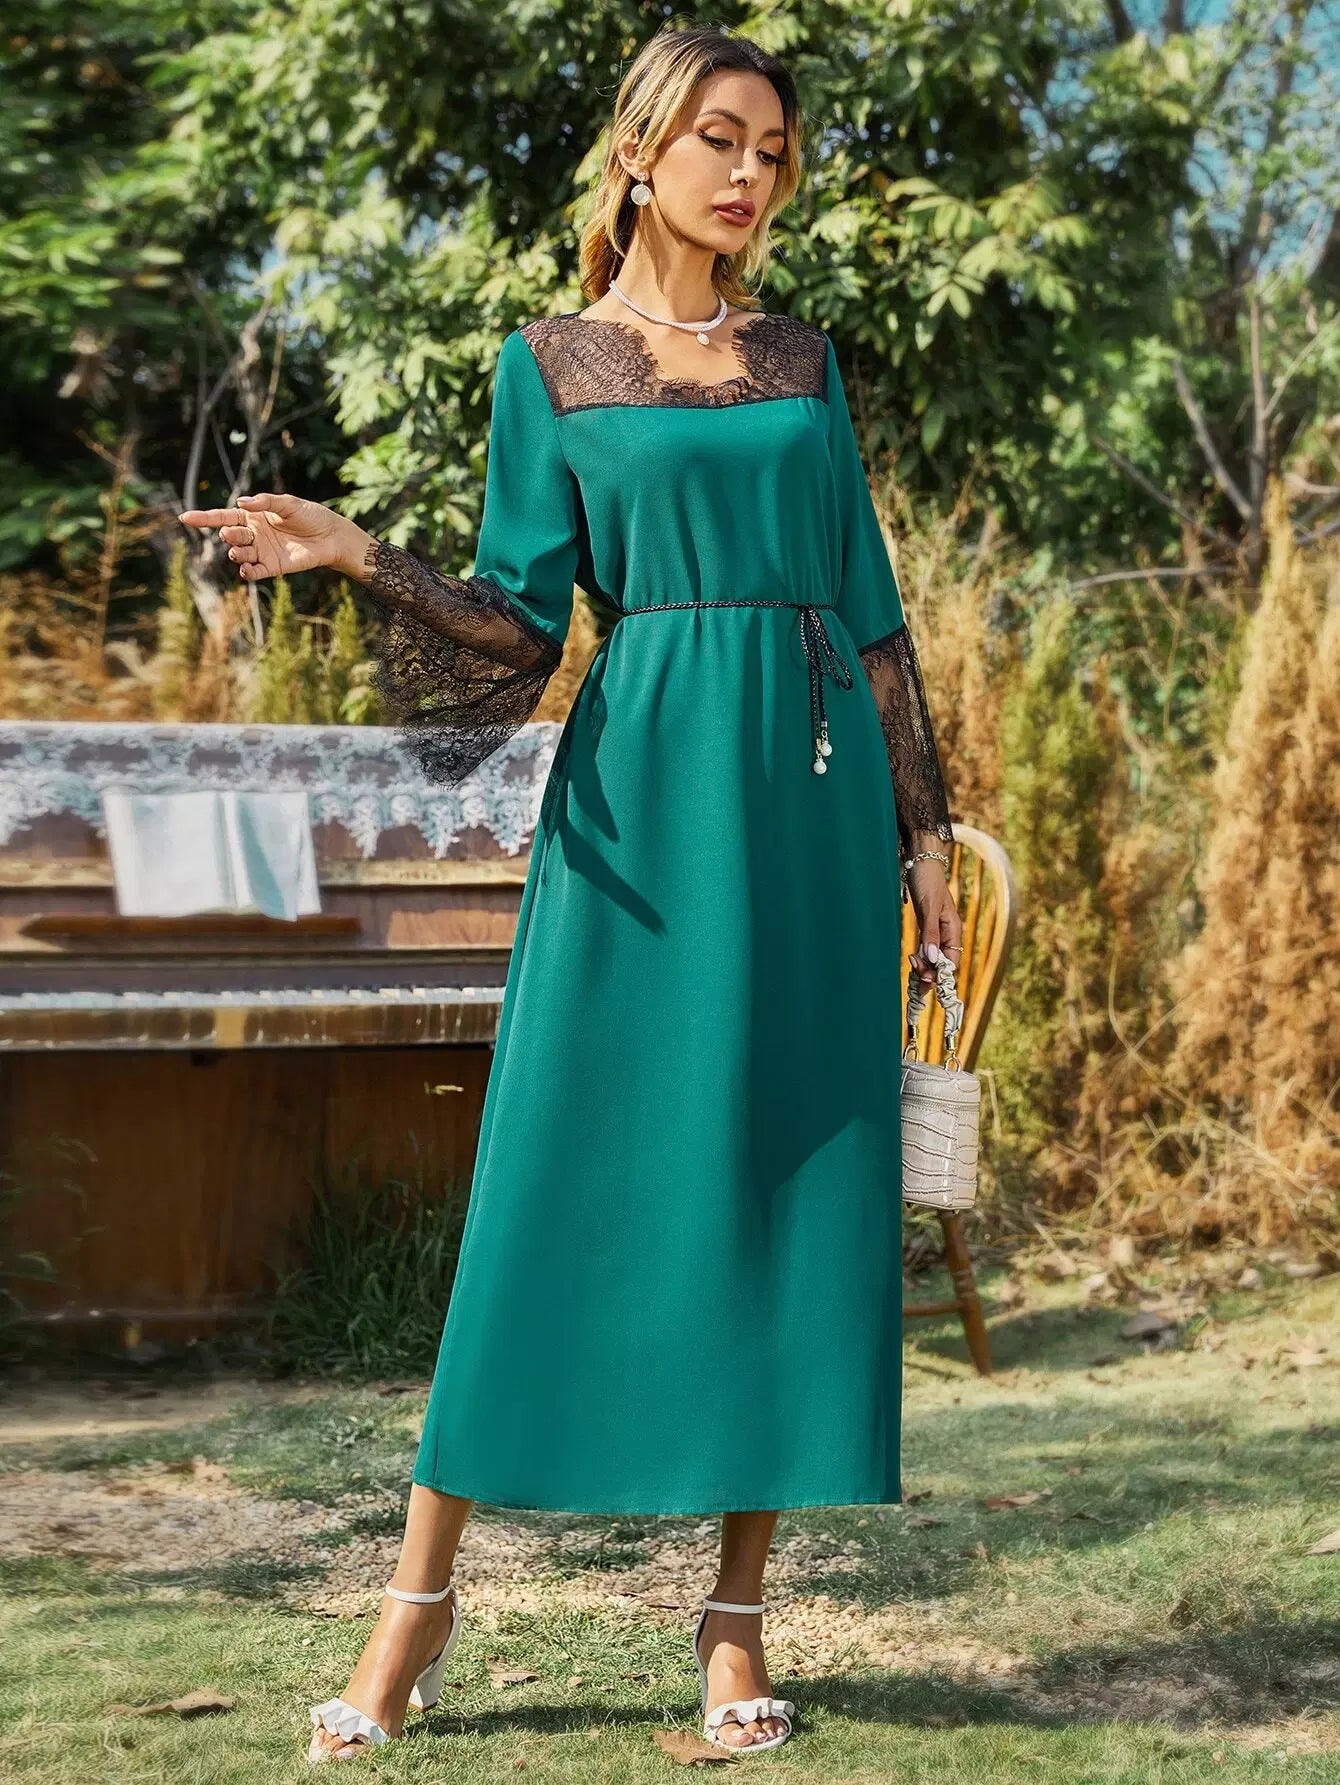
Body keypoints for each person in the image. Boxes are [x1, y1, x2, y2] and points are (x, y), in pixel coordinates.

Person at [181, 23, 962, 1763]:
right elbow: (521, 625)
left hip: (814, 807)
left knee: (787, 1182)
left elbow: (872, 608)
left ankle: (735, 1622)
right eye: (719, 138)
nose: (749, 174)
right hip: (645, 805)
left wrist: (925, 833)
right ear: (639, 150)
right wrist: (358, 553)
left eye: (772, 149)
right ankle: (418, 1599)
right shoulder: (550, 366)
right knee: (550, 1174)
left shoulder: (802, 360)